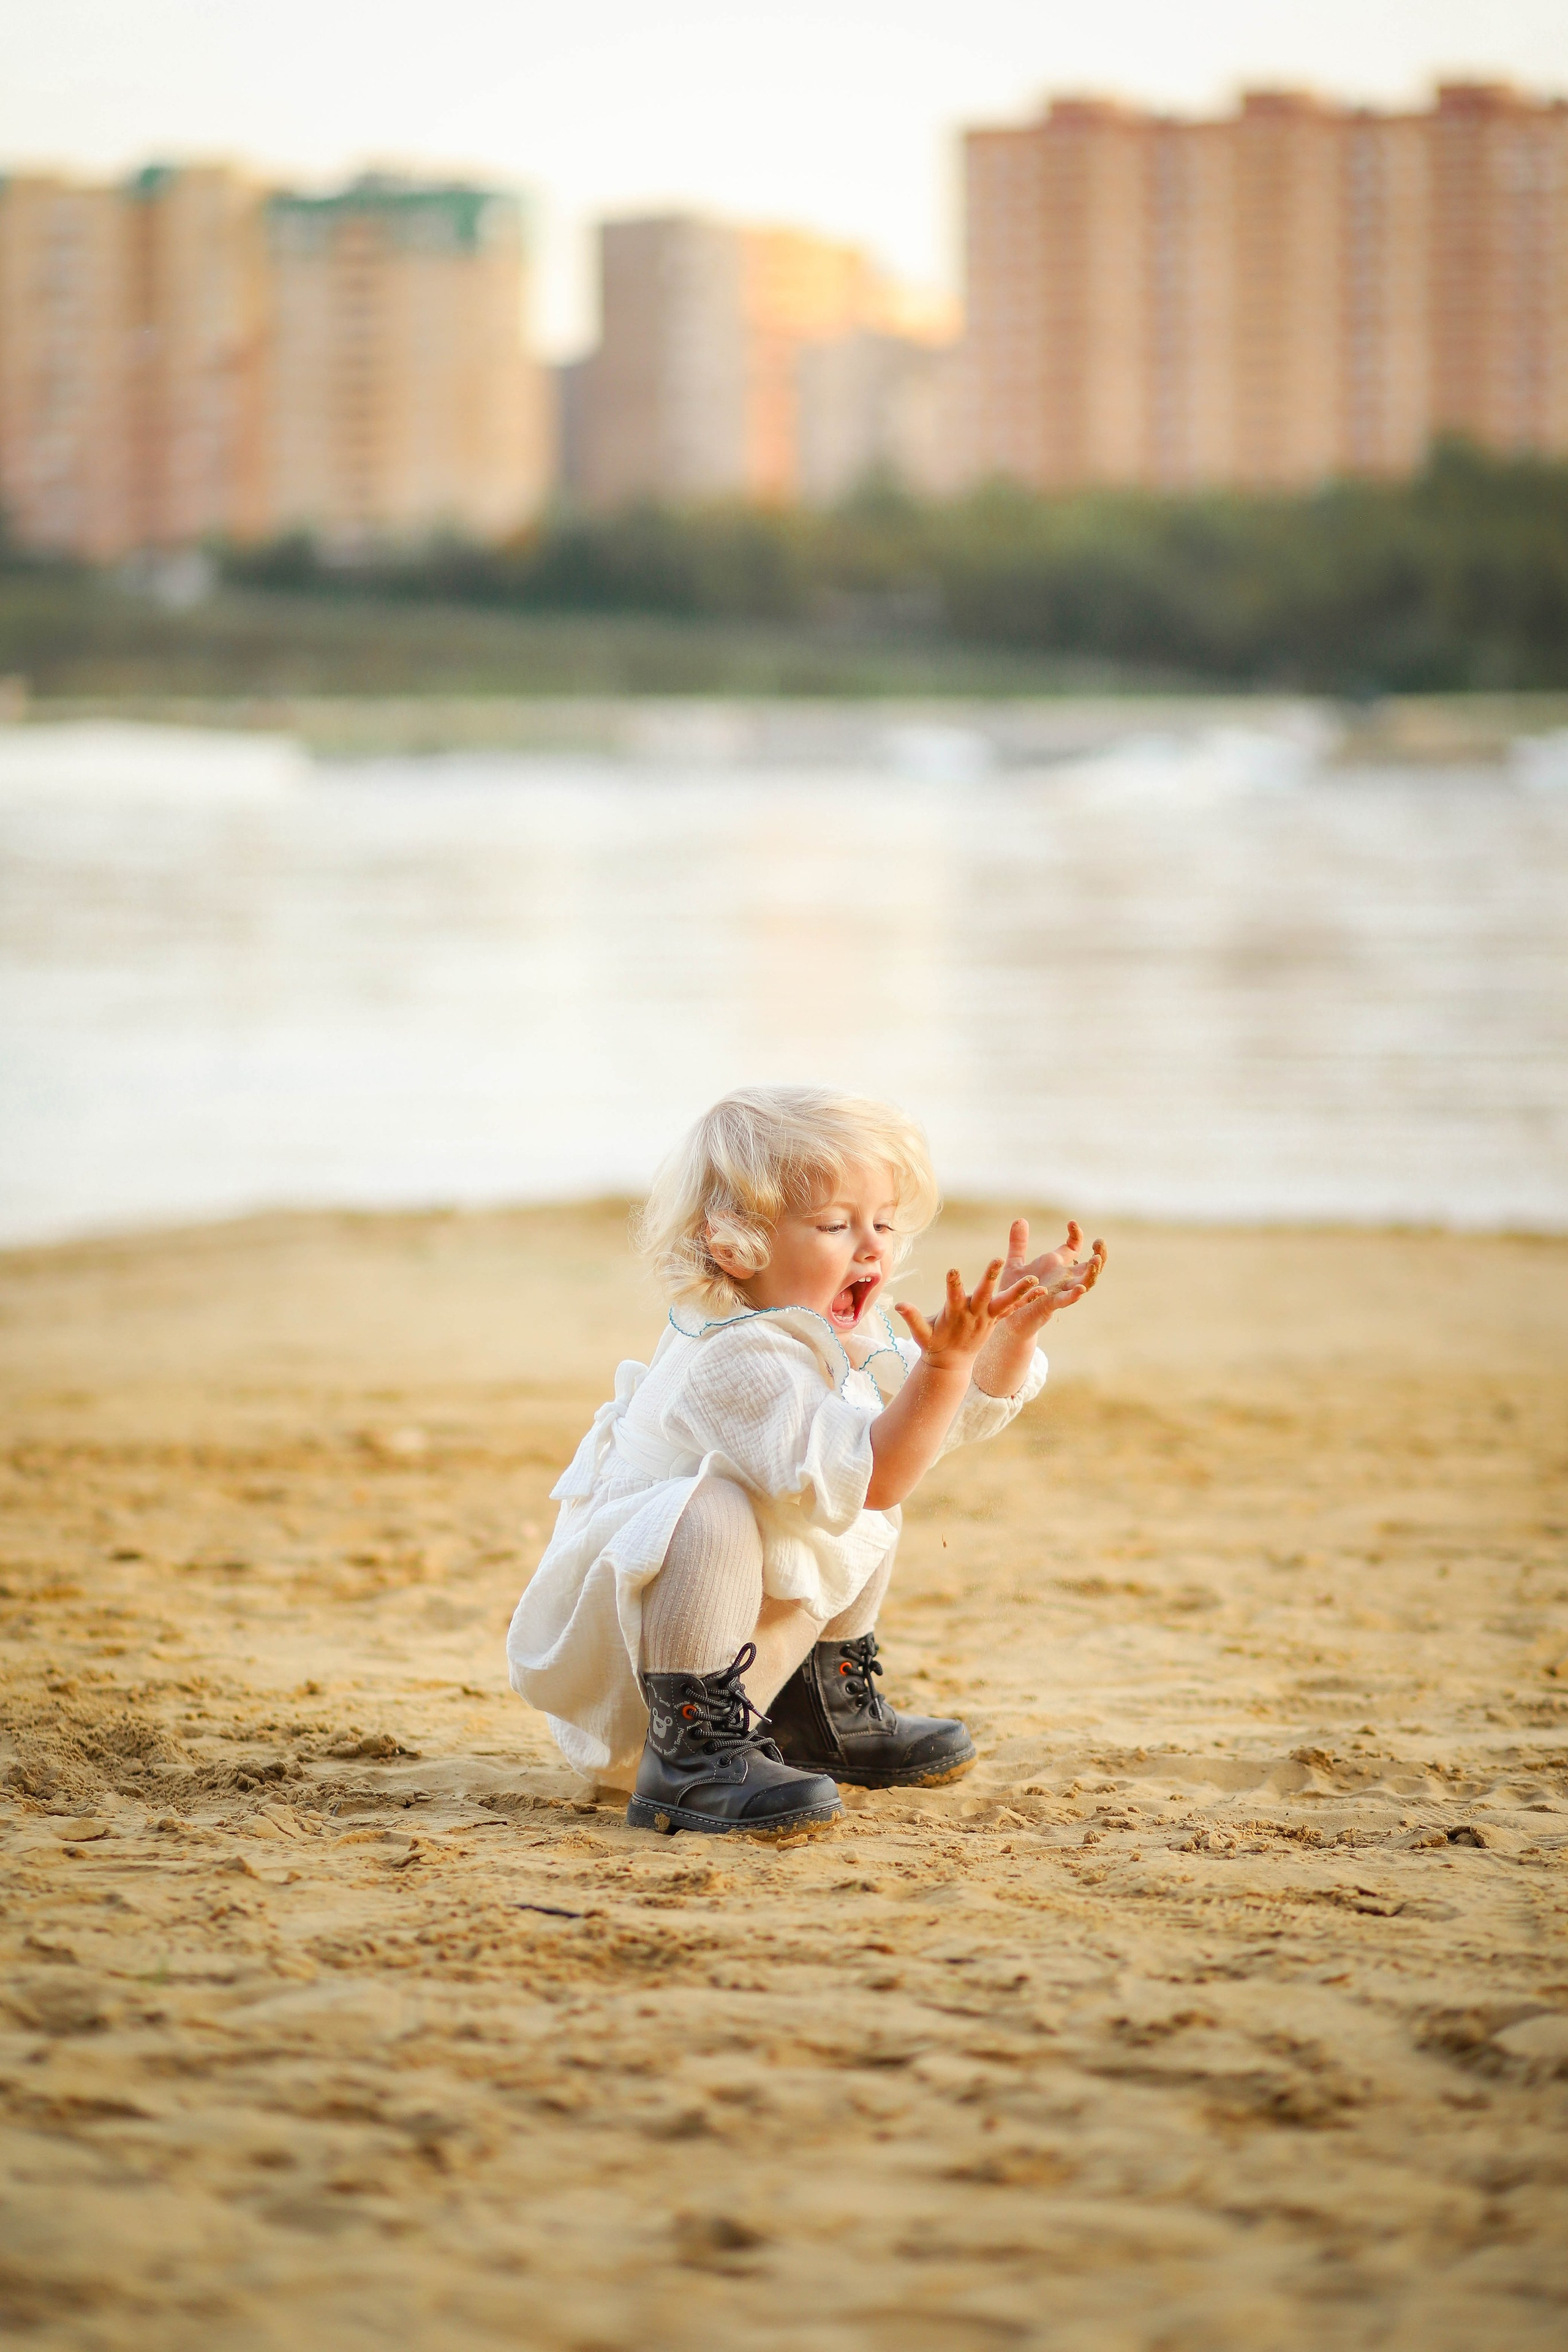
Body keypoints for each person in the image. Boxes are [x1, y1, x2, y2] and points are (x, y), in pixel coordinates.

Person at [506, 1086, 1105, 1838]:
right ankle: (690, 1759)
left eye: (882, 1223)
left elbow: (921, 1440)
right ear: (734, 1244)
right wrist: (943, 1367)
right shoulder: (734, 1354)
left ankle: (818, 1711)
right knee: (730, 1504)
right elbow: (879, 1471)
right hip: (647, 1681)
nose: (872, 1248)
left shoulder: (819, 1331)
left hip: (749, 1655)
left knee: (865, 1466)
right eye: (833, 1225)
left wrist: (1008, 1337)